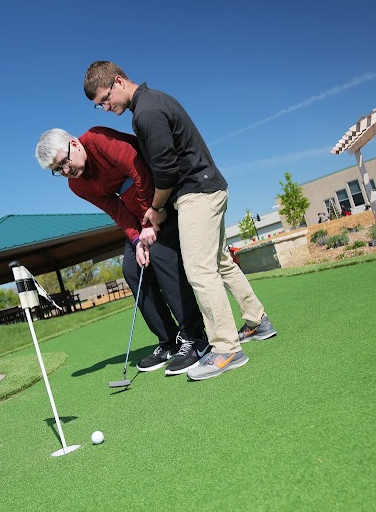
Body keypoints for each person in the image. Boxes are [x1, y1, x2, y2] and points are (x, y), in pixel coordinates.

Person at [83, 61, 276, 381]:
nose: (105, 108)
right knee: (219, 262)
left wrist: (156, 208)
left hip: (195, 194)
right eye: (98, 106)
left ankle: (227, 348)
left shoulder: (146, 112)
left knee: (200, 270)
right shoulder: (150, 103)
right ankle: (257, 321)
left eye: (104, 99)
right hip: (209, 188)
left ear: (118, 81)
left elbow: (166, 170)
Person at [34, 126, 209, 376]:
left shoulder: (97, 140)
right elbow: (115, 209)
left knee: (159, 256)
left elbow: (140, 174)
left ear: (74, 143)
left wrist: (149, 224)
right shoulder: (77, 185)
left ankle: (196, 335)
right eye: (57, 171)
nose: (66, 171)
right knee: (131, 267)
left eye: (64, 162)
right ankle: (170, 341)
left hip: (162, 197)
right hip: (138, 216)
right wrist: (137, 239)